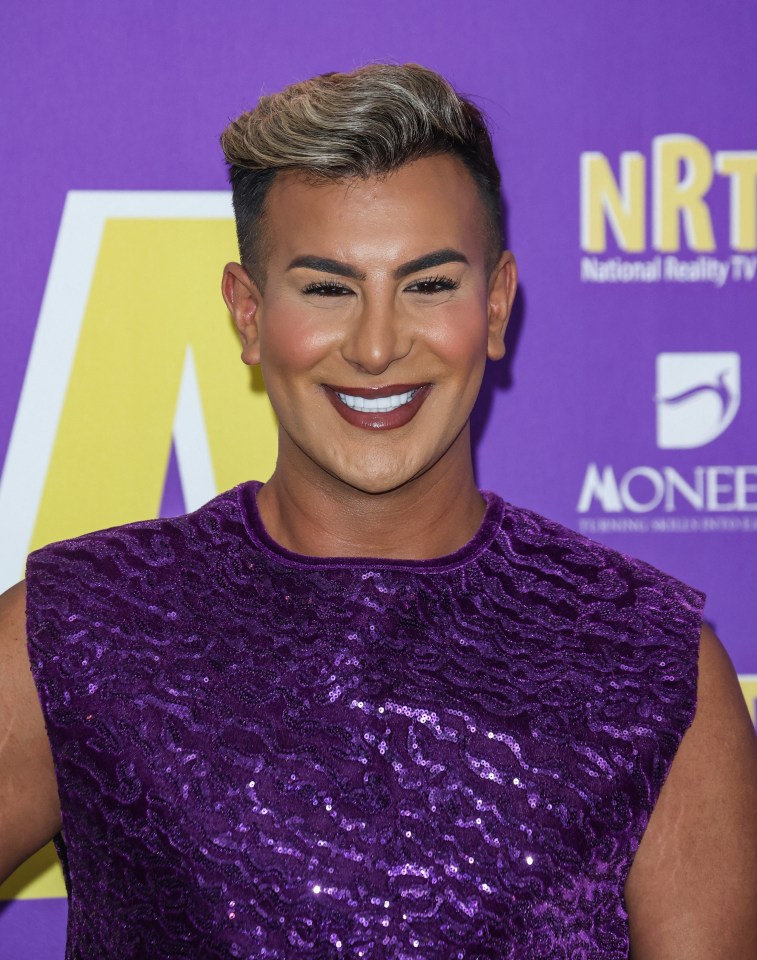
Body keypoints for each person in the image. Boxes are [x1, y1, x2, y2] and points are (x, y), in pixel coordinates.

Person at [1, 63, 756, 960]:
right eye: (327, 288)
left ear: (496, 305)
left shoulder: (651, 661)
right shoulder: (82, 626)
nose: (375, 345)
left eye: (428, 285)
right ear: (248, 315)